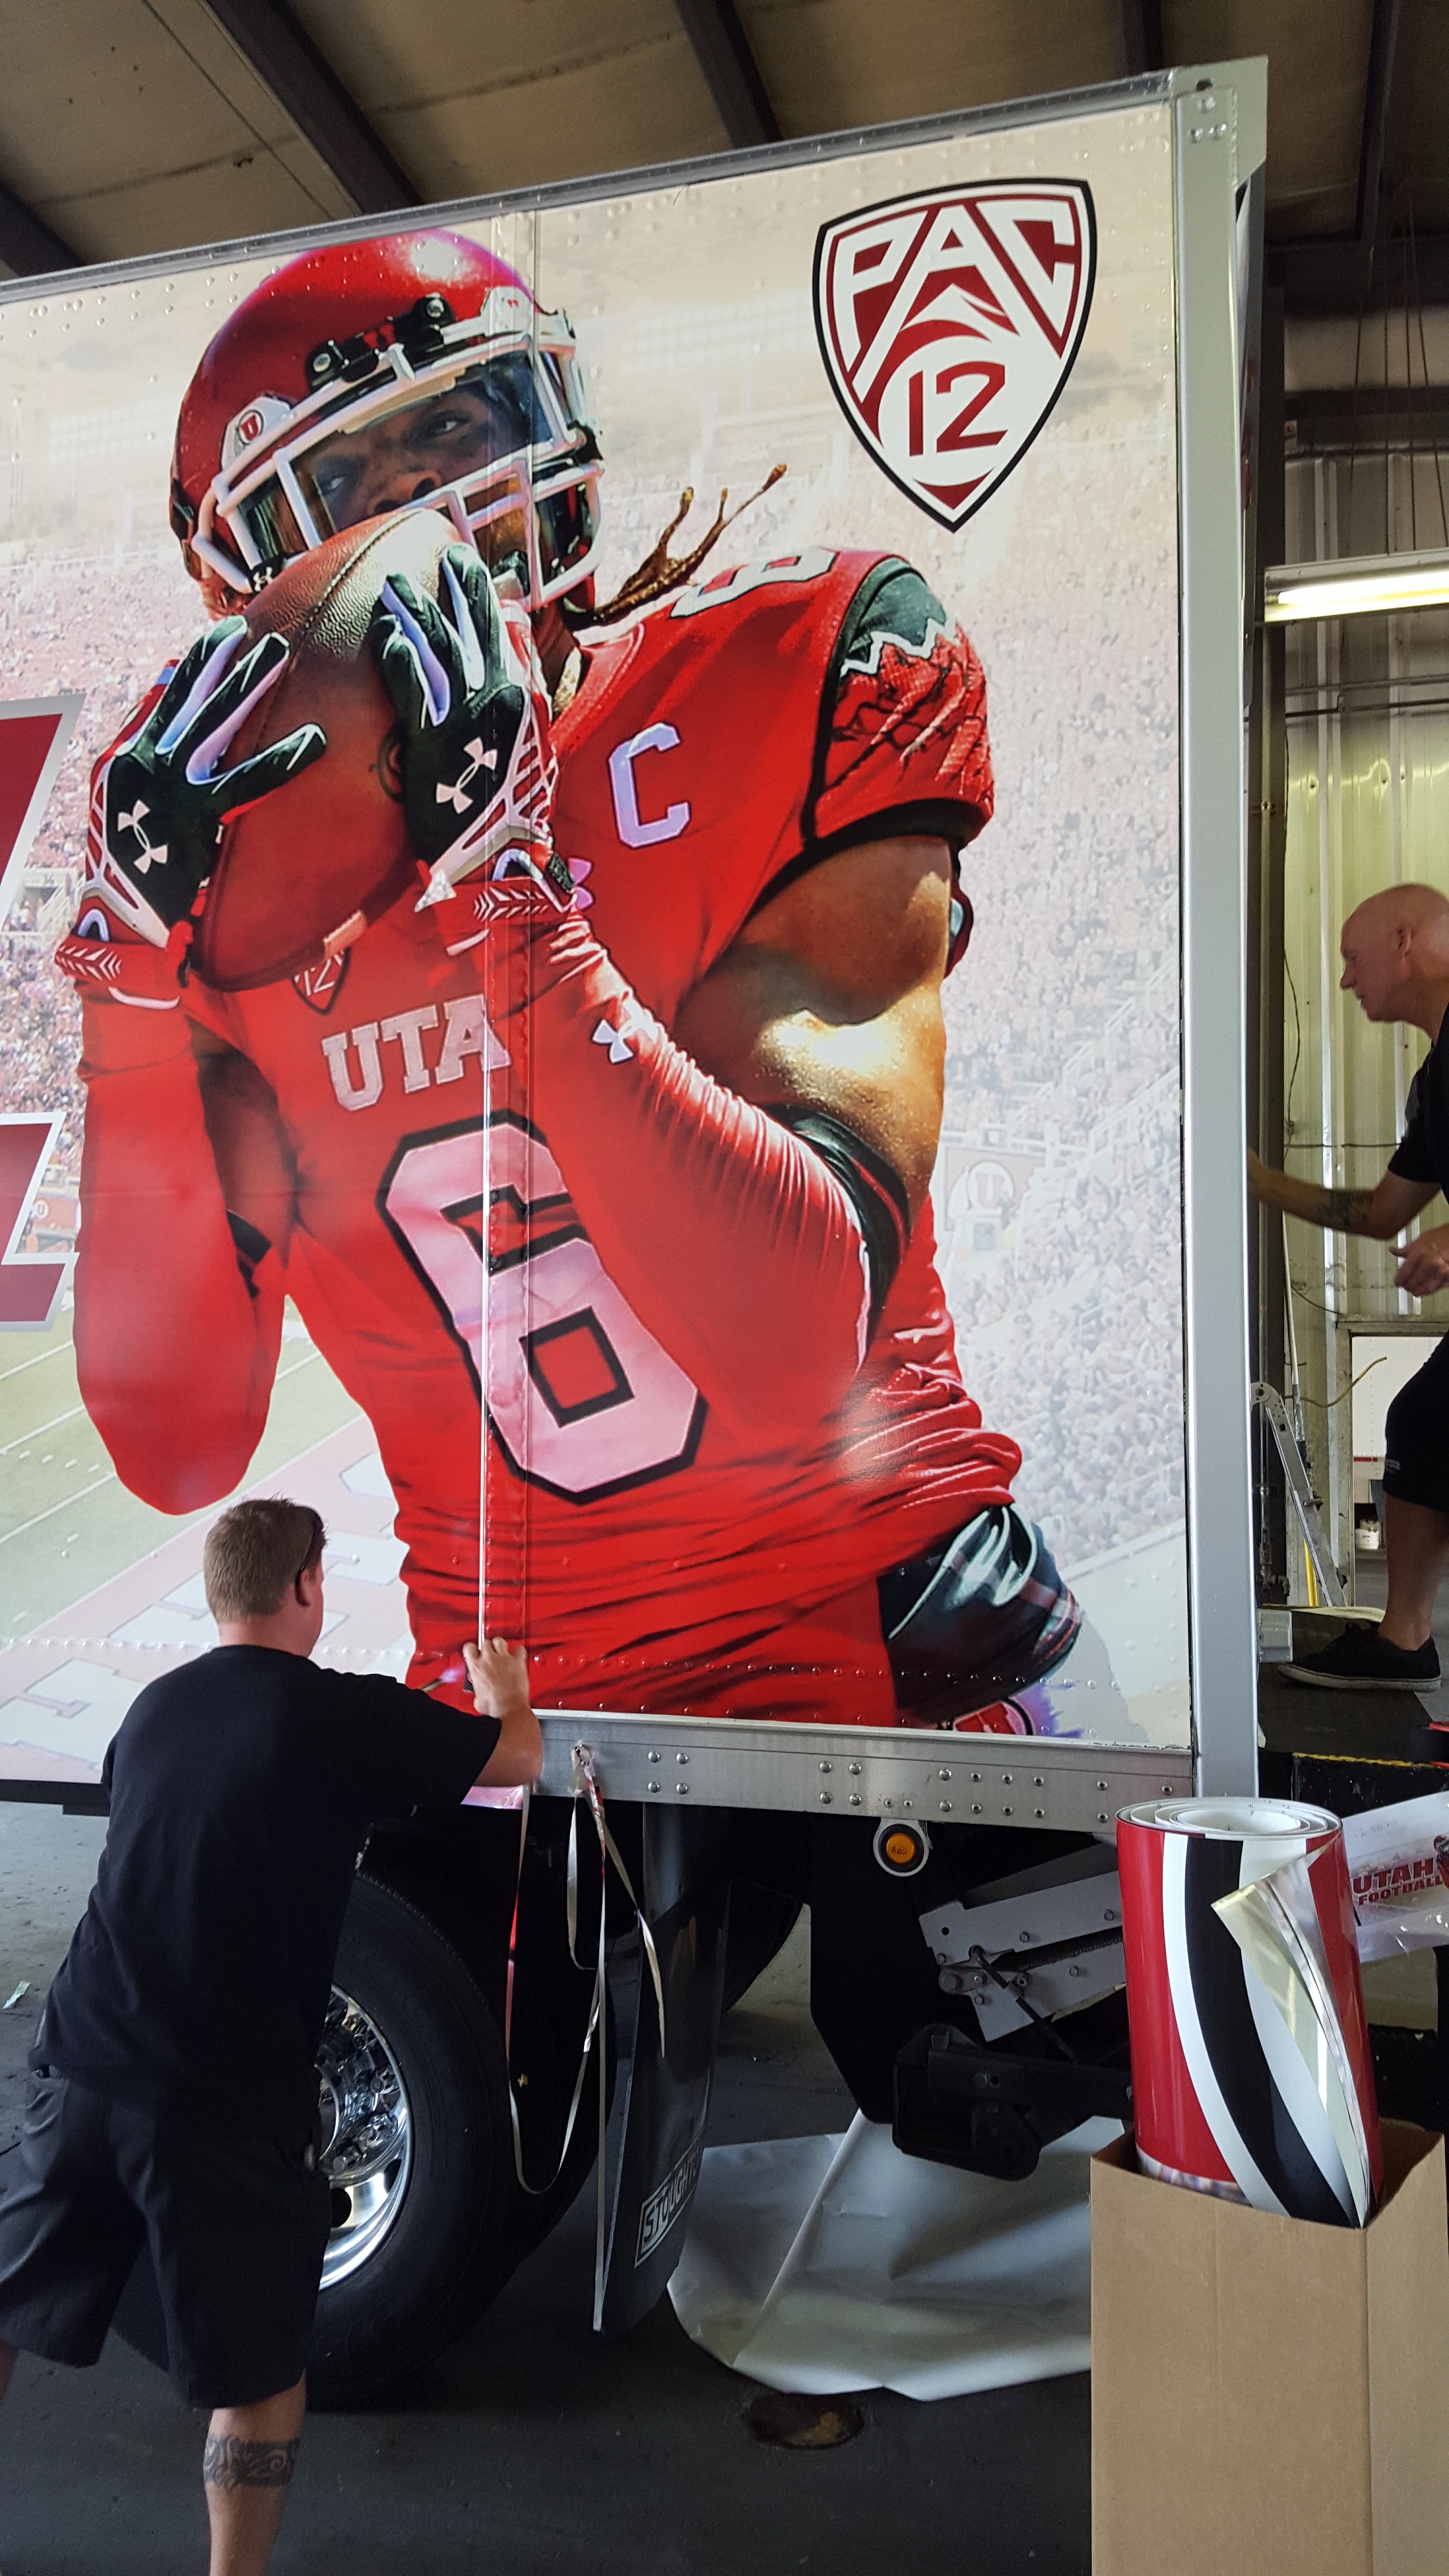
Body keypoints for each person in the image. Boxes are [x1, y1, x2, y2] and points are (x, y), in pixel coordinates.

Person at [55, 225, 1088, 1735]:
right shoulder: (229, 893)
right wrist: (126, 998)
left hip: (888, 1629)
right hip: (515, 1685)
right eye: (355, 480)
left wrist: (508, 904)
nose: (431, 506)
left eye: (461, 429)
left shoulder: (777, 669)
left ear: (555, 439)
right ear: (250, 576)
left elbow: (797, 1332)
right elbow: (174, 1438)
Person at [0, 1495, 541, 2576]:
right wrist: (505, 1694)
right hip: (215, 2096)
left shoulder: (153, 1708)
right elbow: (514, 1758)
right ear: (306, 1586)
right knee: (258, 2376)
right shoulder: (337, 1711)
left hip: (78, 2057)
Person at [1251, 879, 1449, 1692]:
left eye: (1351, 956)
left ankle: (1406, 1641)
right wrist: (1255, 1181)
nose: (1344, 978)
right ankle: (1404, 1642)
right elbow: (1378, 1211)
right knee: (1424, 1421)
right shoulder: (1436, 1083)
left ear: (1404, 941)